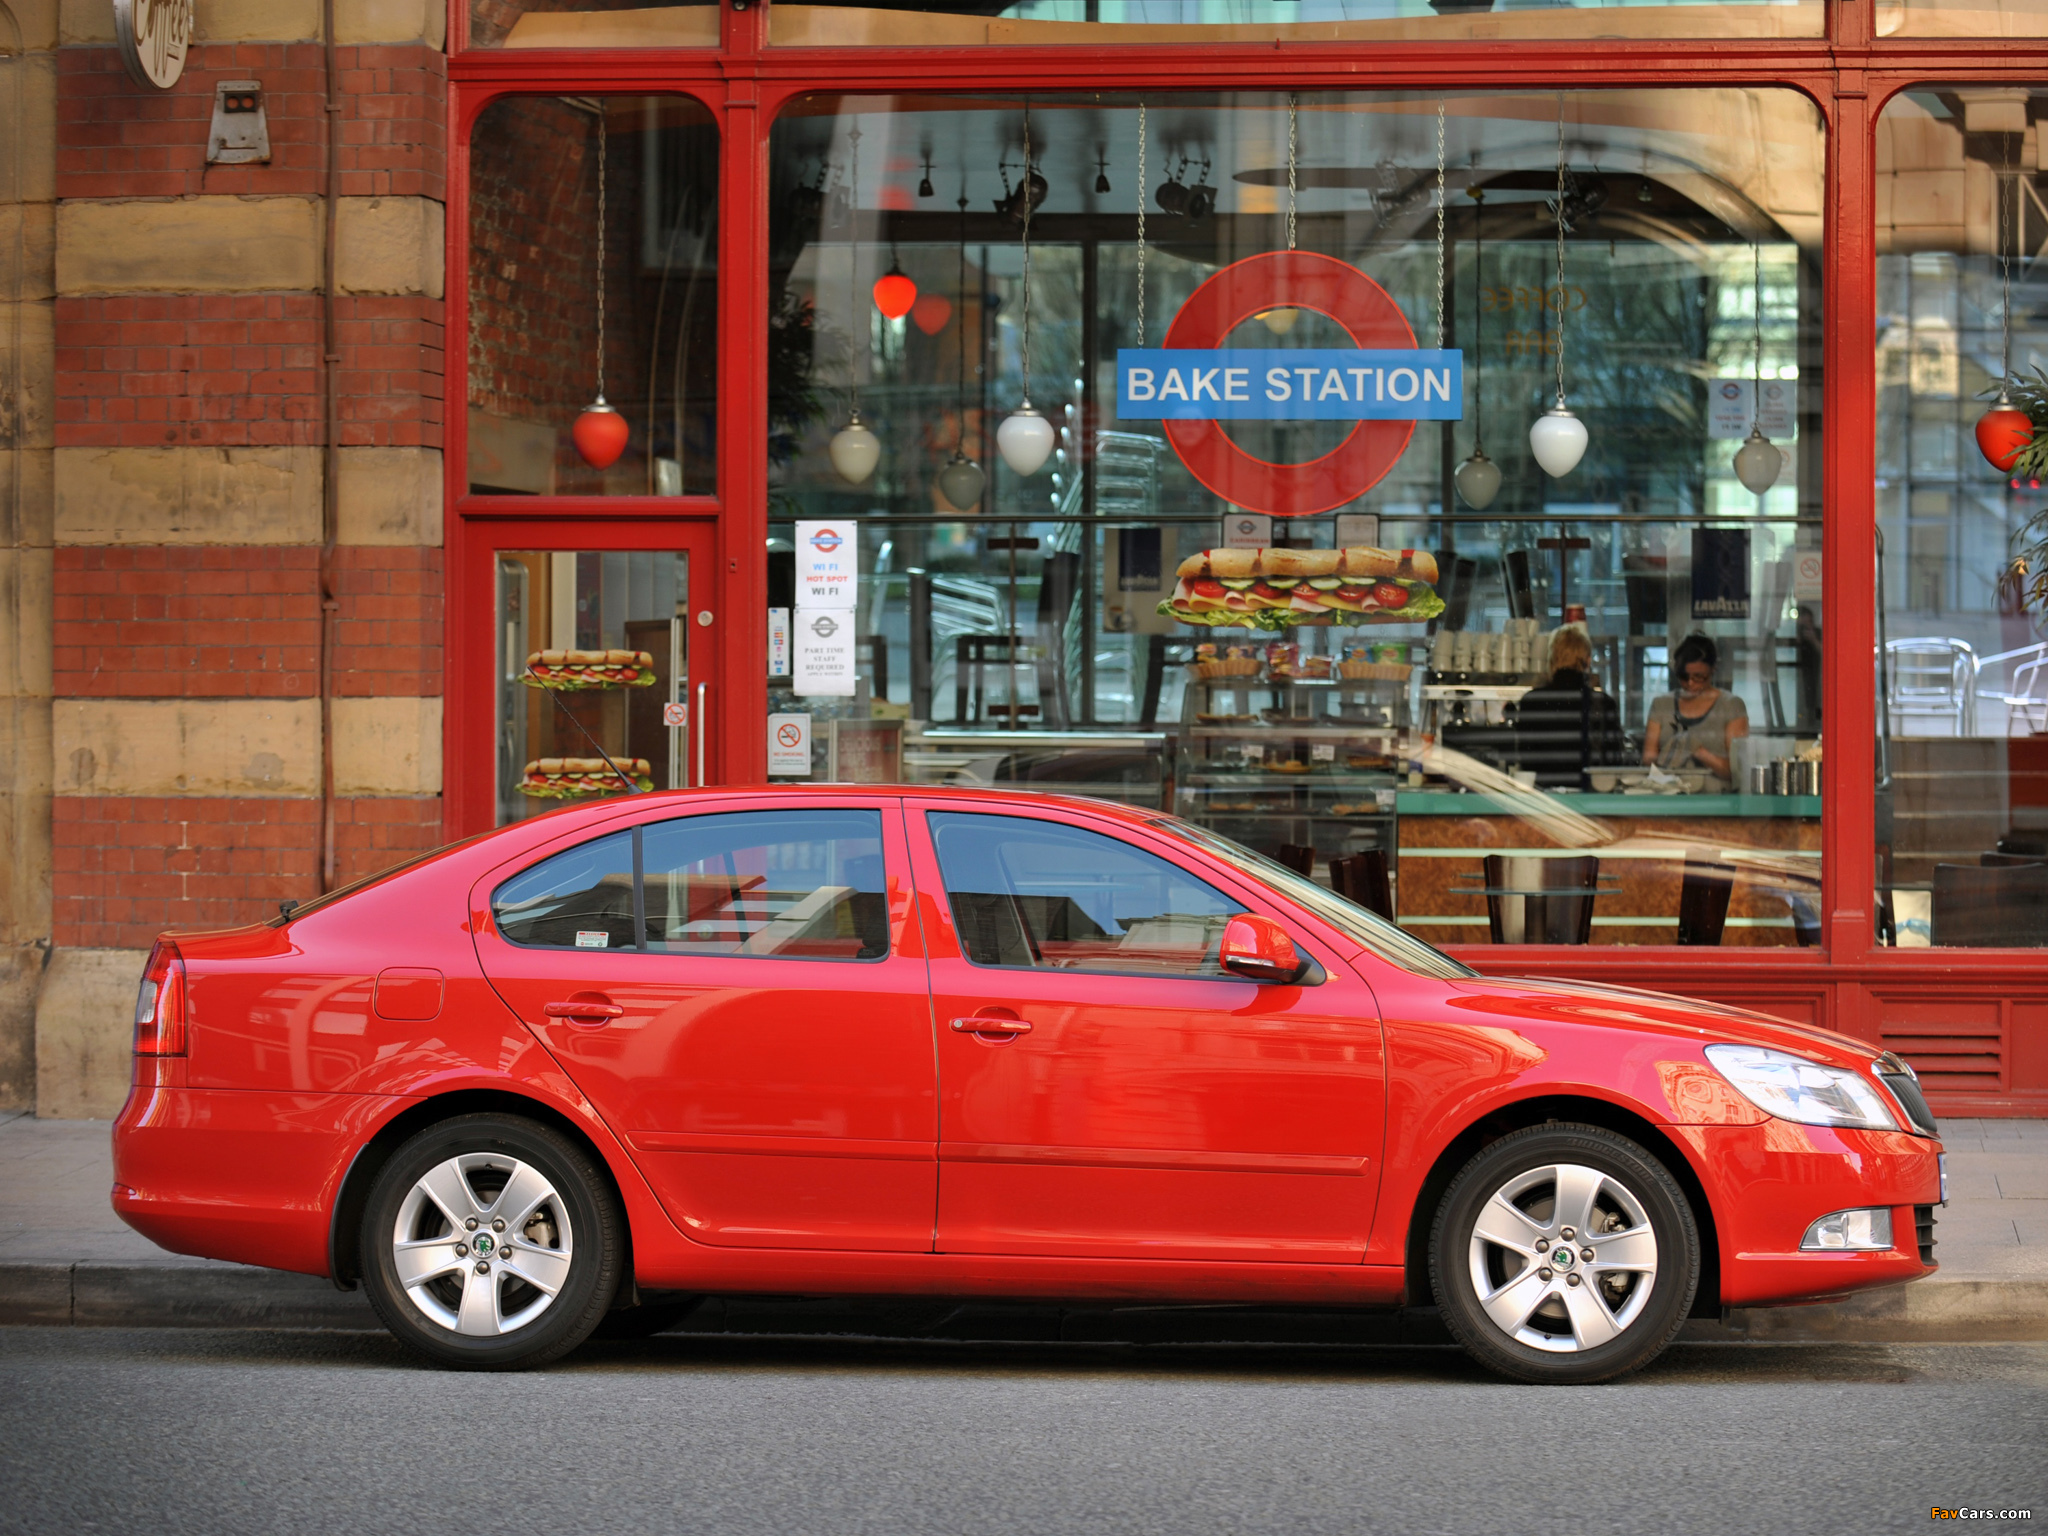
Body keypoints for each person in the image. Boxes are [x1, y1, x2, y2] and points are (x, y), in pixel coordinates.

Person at [1509, 628, 1627, 789]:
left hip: (1545, 799)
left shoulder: (1531, 701)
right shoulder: (1604, 703)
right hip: (1591, 798)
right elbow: (1613, 761)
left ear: (1552, 659)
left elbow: (1526, 760)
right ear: (1587, 660)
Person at [1644, 633, 1749, 787]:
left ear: (1713, 670)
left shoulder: (1731, 706)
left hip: (1715, 800)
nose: (1690, 683)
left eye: (1699, 677)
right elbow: (1648, 761)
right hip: (1669, 797)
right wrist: (1670, 754)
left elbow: (1737, 770)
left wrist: (1698, 751)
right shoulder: (1661, 705)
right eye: (1684, 677)